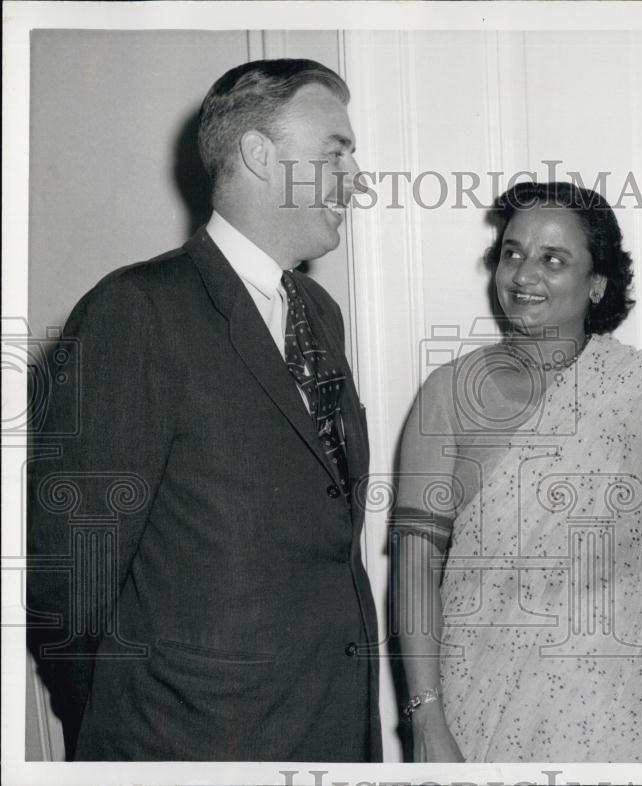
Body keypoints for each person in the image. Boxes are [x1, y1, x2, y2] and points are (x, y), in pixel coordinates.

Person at [27, 59, 381, 761]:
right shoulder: (136, 311)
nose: (357, 178)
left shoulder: (319, 313)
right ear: (257, 153)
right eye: (336, 153)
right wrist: (124, 729)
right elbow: (72, 574)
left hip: (331, 730)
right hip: (192, 745)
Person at [392, 181, 642, 762]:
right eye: (512, 253)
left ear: (597, 284)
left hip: (624, 709)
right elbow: (415, 563)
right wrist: (425, 718)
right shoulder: (450, 393)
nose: (523, 276)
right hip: (482, 707)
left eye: (553, 259)